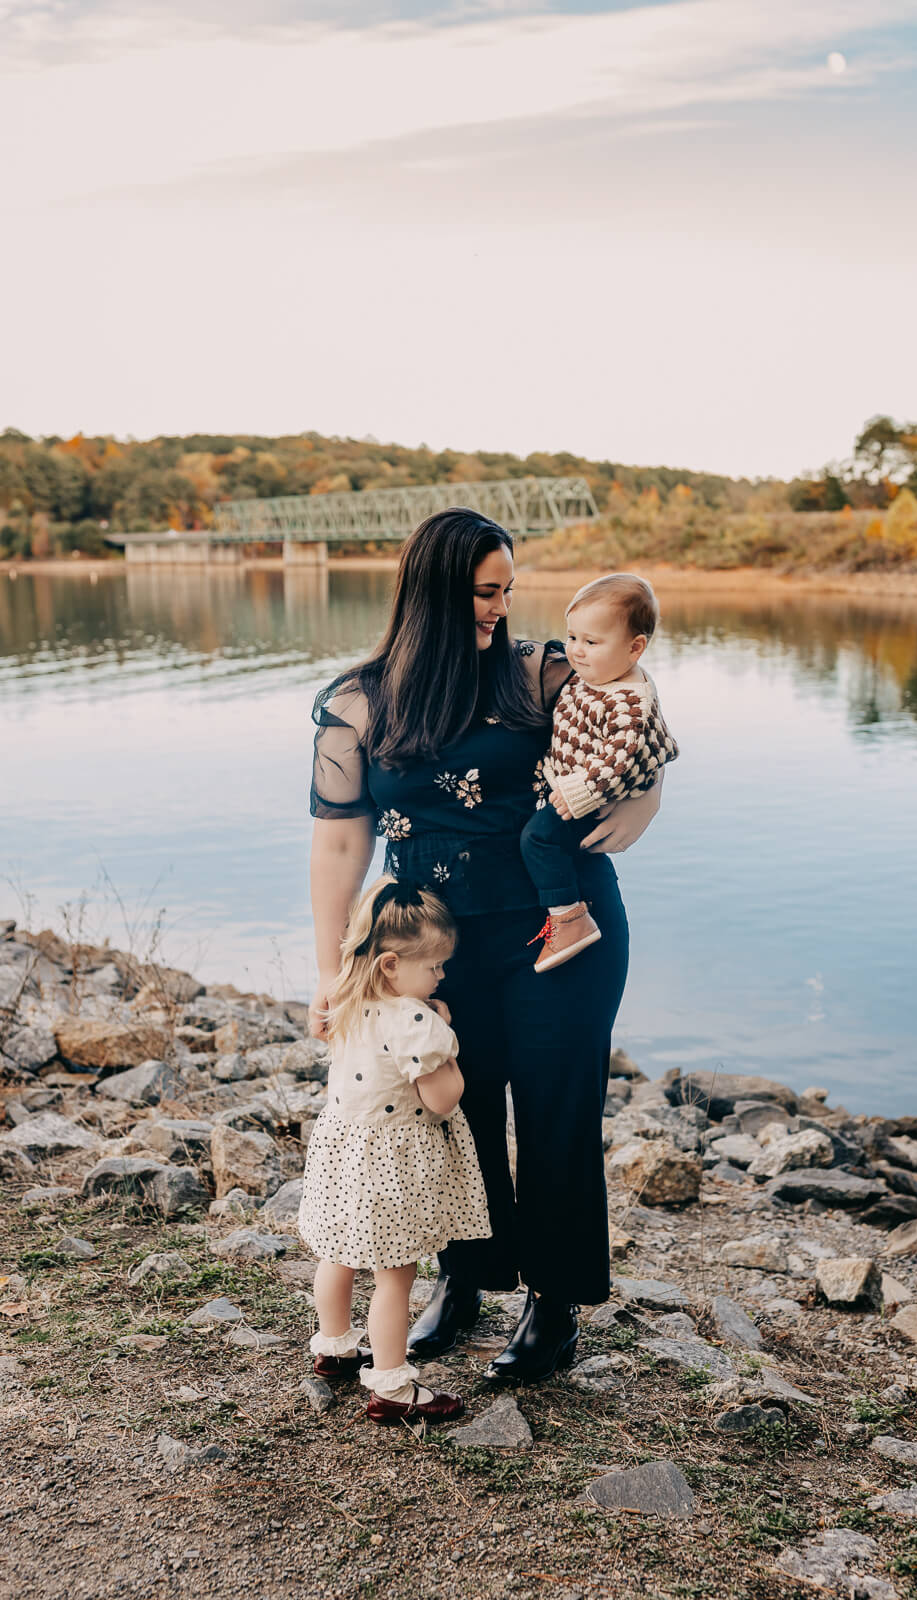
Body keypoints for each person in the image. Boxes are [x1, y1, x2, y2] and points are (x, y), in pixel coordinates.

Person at [307, 507, 663, 1384]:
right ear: (431, 591)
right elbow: (339, 841)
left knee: (557, 1112)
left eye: (507, 589)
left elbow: (633, 717)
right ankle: (461, 1282)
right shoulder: (354, 701)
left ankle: (554, 1304)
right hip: (426, 946)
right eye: (483, 591)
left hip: (560, 930)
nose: (501, 607)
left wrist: (648, 798)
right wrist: (333, 969)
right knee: (447, 1110)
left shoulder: (540, 675)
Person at [297, 874, 491, 1424]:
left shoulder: (345, 1000)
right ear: (390, 965)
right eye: (434, 967)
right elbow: (442, 1101)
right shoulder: (416, 1021)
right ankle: (392, 1384)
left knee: (338, 1254)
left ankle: (333, 1347)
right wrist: (447, 1045)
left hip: (342, 1154)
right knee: (394, 1273)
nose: (441, 975)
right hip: (391, 1167)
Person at [520, 573, 678, 972]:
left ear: (635, 648)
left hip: (589, 797)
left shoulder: (629, 701)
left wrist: (579, 792)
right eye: (572, 637)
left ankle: (569, 918)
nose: (576, 651)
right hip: (569, 782)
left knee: (538, 839)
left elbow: (619, 758)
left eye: (591, 642)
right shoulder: (599, 675)